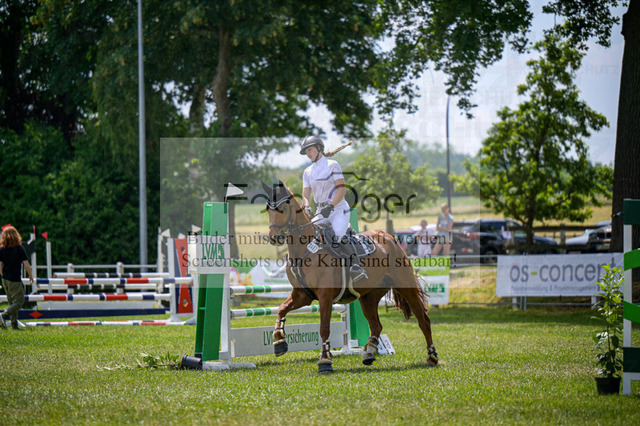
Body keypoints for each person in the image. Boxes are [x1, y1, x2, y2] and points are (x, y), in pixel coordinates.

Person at [299, 136, 367, 282]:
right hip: (321, 211)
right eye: (306, 152)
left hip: (338, 209)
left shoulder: (333, 165)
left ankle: (356, 266)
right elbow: (306, 195)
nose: (308, 153)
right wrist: (307, 206)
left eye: (310, 150)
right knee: (308, 235)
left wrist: (330, 206)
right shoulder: (307, 172)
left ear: (319, 148)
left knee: (337, 236)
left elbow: (342, 191)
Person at [0, 226, 34, 330]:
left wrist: (3, 275)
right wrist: (31, 276)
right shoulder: (19, 248)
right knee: (20, 301)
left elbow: (0, 266)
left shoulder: (1, 249)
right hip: (14, 279)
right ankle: (4, 315)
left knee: (12, 302)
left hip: (5, 279)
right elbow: (26, 264)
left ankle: (14, 325)